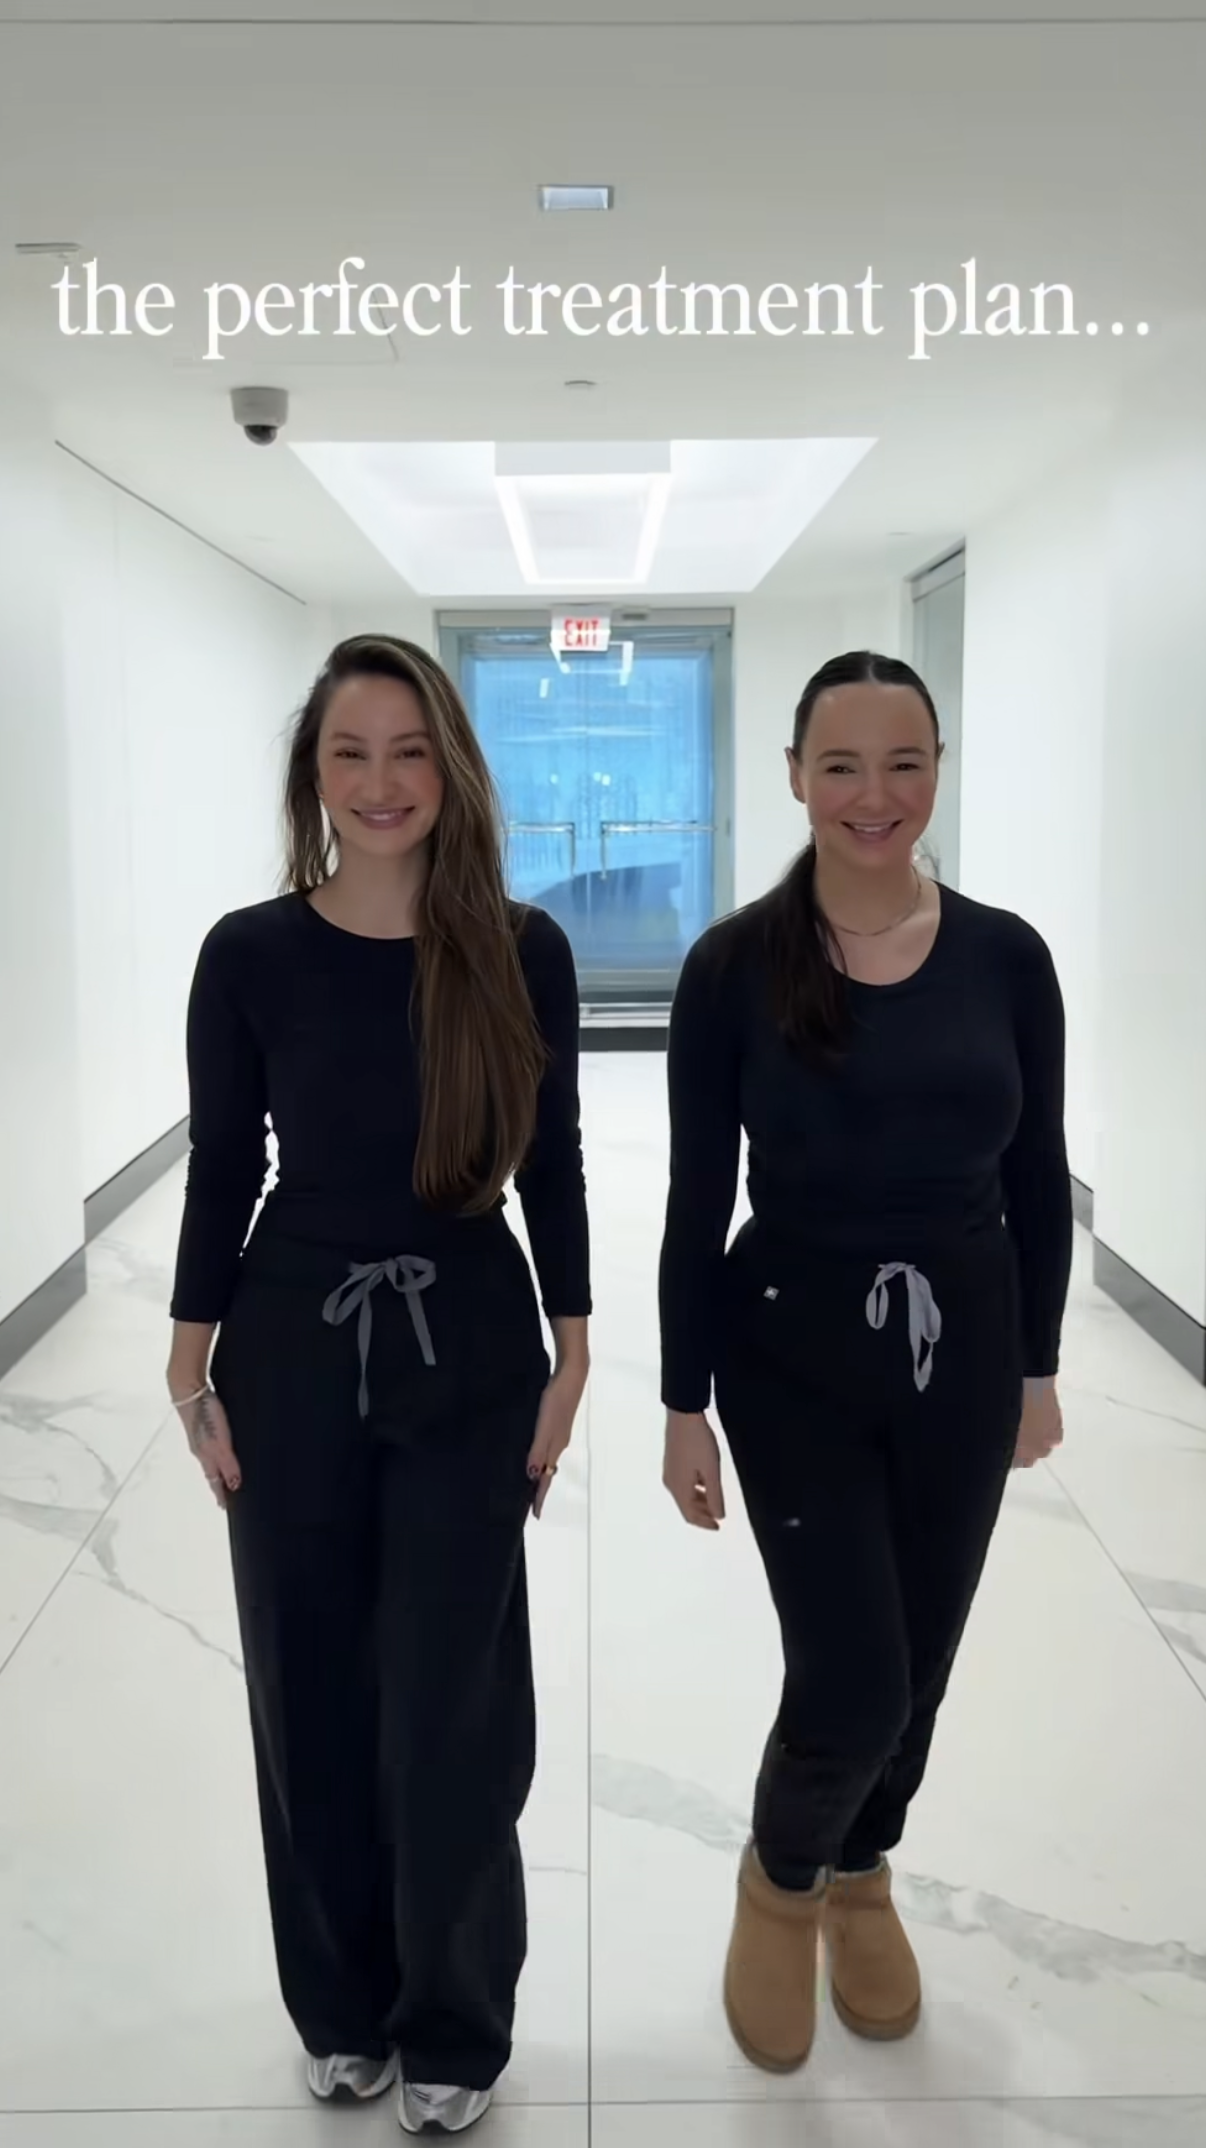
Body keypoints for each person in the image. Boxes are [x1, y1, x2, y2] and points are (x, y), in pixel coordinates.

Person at [165, 634, 591, 2135]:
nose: (382, 781)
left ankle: (456, 2019)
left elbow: (551, 1158)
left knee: (452, 1701)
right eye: (350, 753)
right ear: (313, 778)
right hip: (290, 1343)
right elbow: (227, 1164)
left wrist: (576, 1345)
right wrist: (189, 1358)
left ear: (451, 768)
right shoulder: (250, 954)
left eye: (409, 750)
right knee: (308, 1682)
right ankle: (340, 2006)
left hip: (471, 1337)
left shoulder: (518, 948)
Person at [658, 649, 1070, 2073]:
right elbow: (694, 1197)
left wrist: (1034, 1364)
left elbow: (1035, 1172)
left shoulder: (1006, 958)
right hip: (789, 1356)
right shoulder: (729, 969)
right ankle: (778, 1888)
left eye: (902, 762)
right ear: (791, 777)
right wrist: (678, 1399)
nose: (872, 794)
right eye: (840, 765)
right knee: (853, 1676)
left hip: (960, 1358)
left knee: (926, 1663)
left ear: (936, 770)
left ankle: (863, 1875)